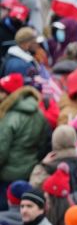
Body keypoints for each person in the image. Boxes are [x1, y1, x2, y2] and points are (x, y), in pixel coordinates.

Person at [0, 75, 46, 208]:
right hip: (28, 171)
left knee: (5, 215)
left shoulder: (10, 117)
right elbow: (42, 143)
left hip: (6, 176)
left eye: (2, 91)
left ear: (10, 94)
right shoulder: (39, 113)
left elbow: (1, 150)